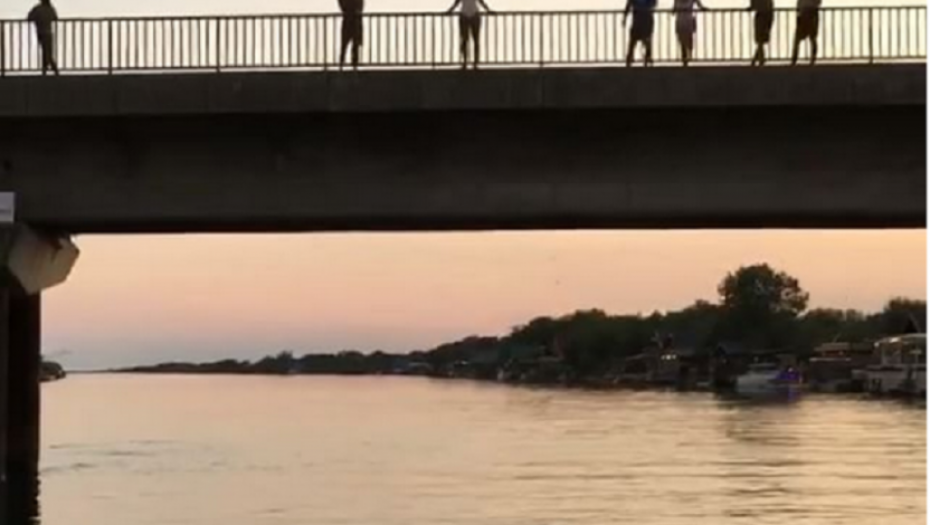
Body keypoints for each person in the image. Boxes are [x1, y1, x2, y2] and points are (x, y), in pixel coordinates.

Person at [448, 0, 493, 69]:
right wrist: (488, 10)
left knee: (472, 40)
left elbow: (457, 2)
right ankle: (467, 62)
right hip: (468, 15)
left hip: (470, 15)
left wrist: (488, 10)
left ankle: (472, 62)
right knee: (467, 40)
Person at [27, 0, 59, 76]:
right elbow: (55, 18)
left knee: (46, 52)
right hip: (48, 32)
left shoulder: (37, 9)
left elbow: (29, 18)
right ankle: (51, 69)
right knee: (48, 51)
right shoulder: (50, 8)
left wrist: (37, 20)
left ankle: (47, 69)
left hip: (41, 32)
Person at [673, 0, 707, 66]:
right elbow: (674, 9)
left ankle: (687, 56)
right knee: (682, 41)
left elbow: (699, 5)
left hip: (688, 22)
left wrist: (703, 8)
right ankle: (684, 59)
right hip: (680, 22)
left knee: (689, 41)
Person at [624, 0, 657, 67]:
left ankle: (647, 56)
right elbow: (628, 4)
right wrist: (625, 17)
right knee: (635, 39)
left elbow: (654, 4)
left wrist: (625, 17)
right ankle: (631, 57)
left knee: (645, 39)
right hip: (640, 19)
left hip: (644, 19)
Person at [792, 0, 822, 65]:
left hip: (808, 13)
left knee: (811, 38)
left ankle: (795, 59)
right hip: (807, 14)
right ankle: (795, 58)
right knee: (811, 38)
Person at [339, 0, 364, 70]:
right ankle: (349, 65)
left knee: (350, 45)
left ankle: (347, 65)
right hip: (353, 19)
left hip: (352, 19)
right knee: (347, 45)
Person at [749, 0, 774, 66]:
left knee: (760, 40)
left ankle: (759, 59)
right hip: (765, 17)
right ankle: (758, 59)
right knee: (761, 41)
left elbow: (754, 6)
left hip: (762, 17)